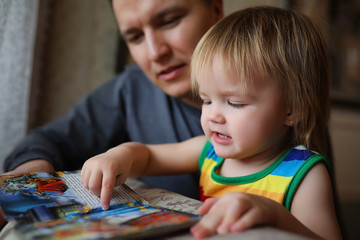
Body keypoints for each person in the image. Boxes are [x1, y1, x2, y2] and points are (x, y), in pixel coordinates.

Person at [81, 6, 342, 239]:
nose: (212, 116)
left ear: (292, 109)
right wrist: (119, 156)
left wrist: (275, 216)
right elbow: (148, 157)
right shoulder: (209, 152)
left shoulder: (304, 174)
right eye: (206, 100)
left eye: (235, 103)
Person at [3, 0, 224, 199]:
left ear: (216, 9)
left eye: (169, 21)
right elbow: (47, 141)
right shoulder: (131, 91)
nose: (155, 52)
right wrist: (23, 182)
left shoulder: (260, 87)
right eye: (136, 36)